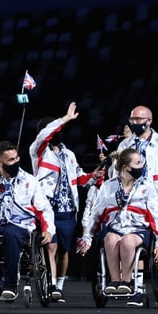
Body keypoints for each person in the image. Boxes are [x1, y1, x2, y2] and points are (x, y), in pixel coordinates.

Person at [77, 148, 158, 307]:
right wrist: (87, 238)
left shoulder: (147, 187)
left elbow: (157, 217)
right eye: (138, 162)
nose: (142, 165)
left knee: (127, 241)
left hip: (138, 230)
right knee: (110, 239)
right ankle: (115, 282)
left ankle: (128, 281)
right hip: (115, 228)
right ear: (126, 167)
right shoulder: (108, 186)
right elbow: (96, 214)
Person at [116, 105, 158, 292]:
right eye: (133, 119)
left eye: (139, 119)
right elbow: (117, 173)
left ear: (149, 121)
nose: (135, 123)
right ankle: (134, 280)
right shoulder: (125, 145)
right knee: (132, 238)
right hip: (133, 200)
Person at [30, 102, 91, 302]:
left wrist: (94, 175)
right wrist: (64, 119)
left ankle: (59, 286)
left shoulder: (69, 155)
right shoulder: (38, 151)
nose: (58, 132)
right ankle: (51, 283)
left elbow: (79, 178)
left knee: (65, 250)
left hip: (68, 209)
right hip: (47, 207)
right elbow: (45, 135)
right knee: (51, 247)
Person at [0, 140, 53, 300]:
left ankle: (10, 285)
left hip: (20, 224)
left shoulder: (30, 181)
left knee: (11, 234)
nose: (16, 162)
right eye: (10, 160)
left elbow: (43, 208)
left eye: (16, 158)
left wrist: (48, 229)